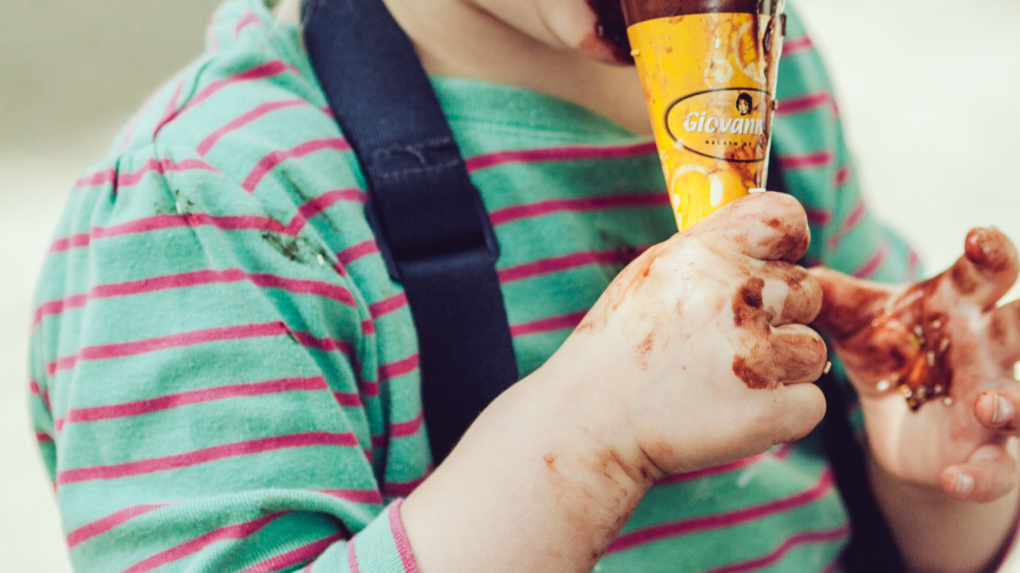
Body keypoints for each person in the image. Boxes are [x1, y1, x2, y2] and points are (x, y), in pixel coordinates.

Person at [27, 0, 1020, 571]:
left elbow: (865, 533)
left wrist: (923, 472)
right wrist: (585, 436)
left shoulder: (770, 71)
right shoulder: (222, 203)